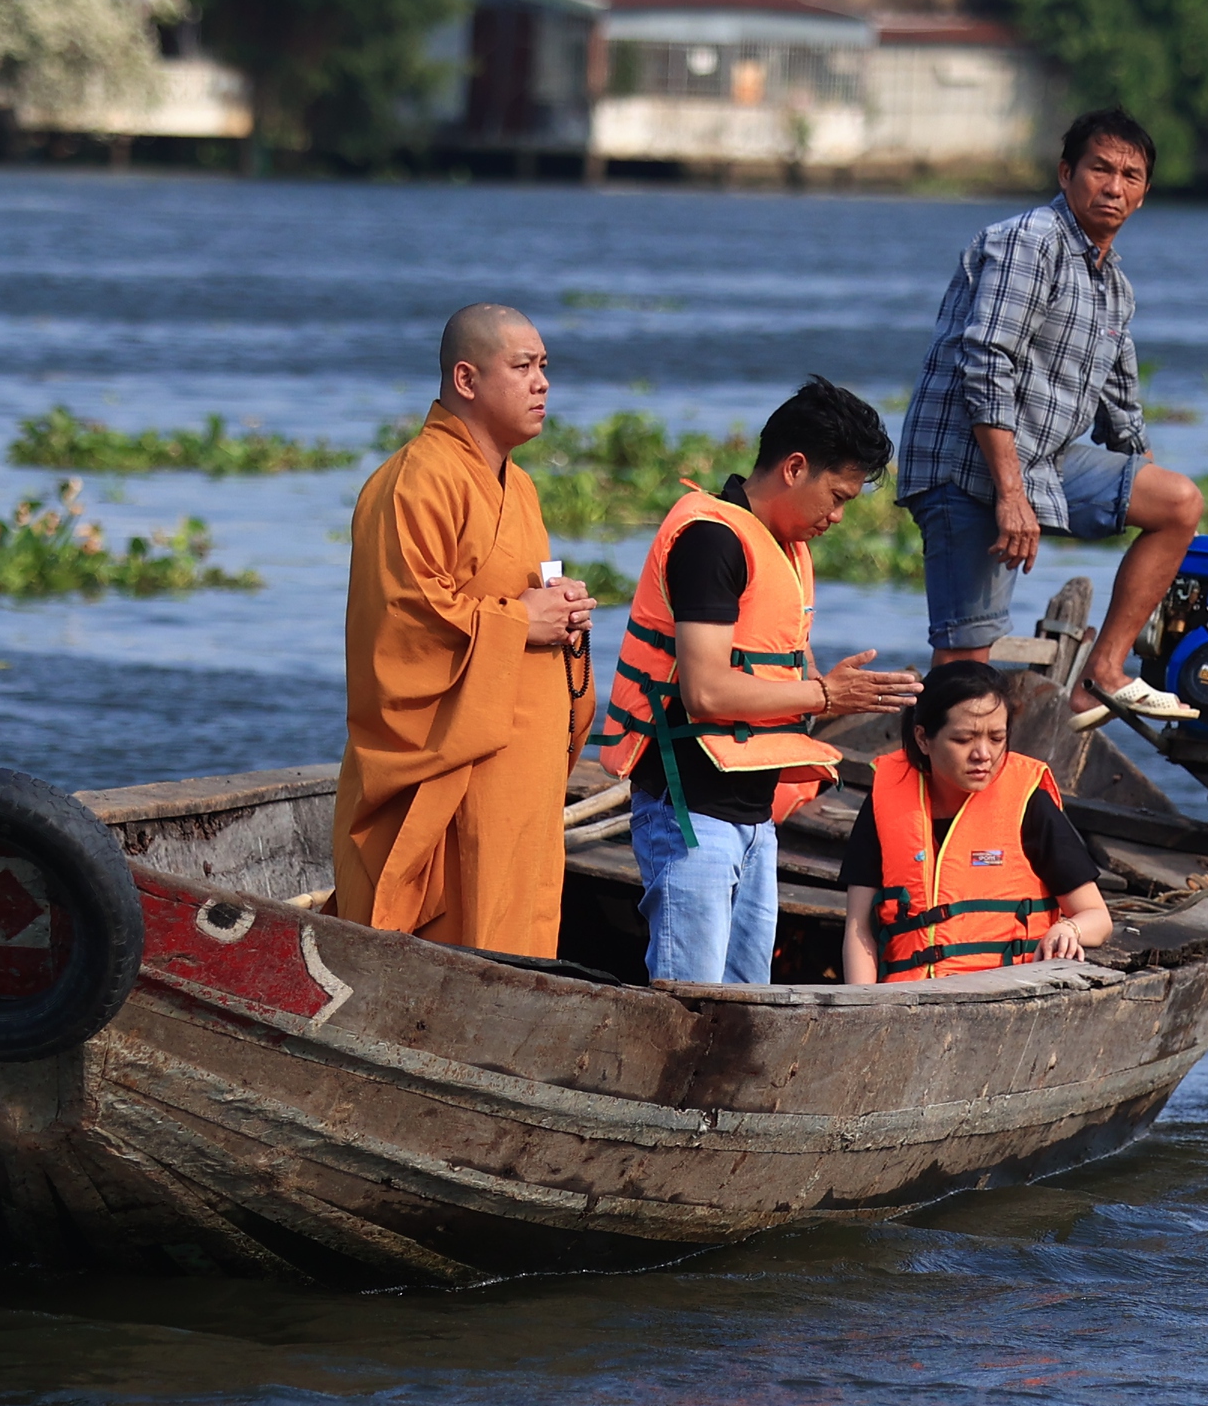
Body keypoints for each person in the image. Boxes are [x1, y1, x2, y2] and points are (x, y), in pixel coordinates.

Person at [590, 377, 923, 985]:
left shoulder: (784, 548)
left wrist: (831, 685)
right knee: (690, 1001)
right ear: (795, 467)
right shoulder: (713, 540)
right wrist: (827, 696)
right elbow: (707, 692)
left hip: (752, 818)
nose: (839, 516)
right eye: (838, 494)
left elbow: (779, 668)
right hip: (691, 811)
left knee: (746, 1003)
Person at [897, 107, 1208, 731]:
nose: (1114, 186)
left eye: (1131, 175)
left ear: (1144, 195)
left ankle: (1103, 673)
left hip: (1044, 461)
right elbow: (986, 360)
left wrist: (1136, 475)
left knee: (1175, 504)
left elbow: (1120, 405)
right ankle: (927, 800)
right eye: (1100, 168)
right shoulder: (1028, 242)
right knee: (965, 657)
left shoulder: (1113, 285)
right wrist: (1011, 495)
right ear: (1067, 173)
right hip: (966, 463)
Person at [329, 303, 596, 958]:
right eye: (524, 366)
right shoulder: (416, 482)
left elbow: (520, 594)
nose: (542, 383)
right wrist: (517, 622)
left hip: (524, 766)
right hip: (460, 766)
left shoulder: (523, 490)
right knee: (464, 936)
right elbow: (405, 623)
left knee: (521, 923)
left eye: (544, 368)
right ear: (468, 380)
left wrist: (563, 613)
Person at [839, 661, 1112, 984]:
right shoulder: (886, 799)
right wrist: (866, 1009)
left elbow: (1098, 917)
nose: (983, 754)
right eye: (964, 739)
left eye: (997, 738)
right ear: (923, 739)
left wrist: (1069, 928)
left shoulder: (1029, 802)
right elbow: (859, 929)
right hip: (907, 1003)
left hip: (1007, 999)